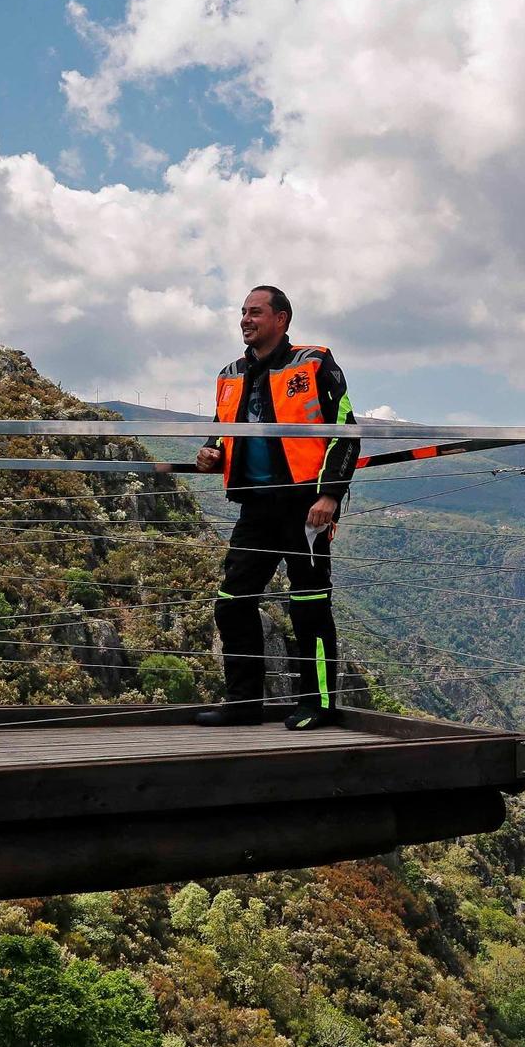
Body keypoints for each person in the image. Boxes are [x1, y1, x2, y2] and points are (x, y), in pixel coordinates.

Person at [194, 285, 359, 730]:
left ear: (281, 319)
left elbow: (346, 430)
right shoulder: (230, 373)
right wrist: (210, 451)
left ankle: (318, 704)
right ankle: (243, 704)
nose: (246, 319)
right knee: (232, 602)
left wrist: (330, 495)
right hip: (256, 506)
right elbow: (222, 432)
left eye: (256, 312)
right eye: (243, 312)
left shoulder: (314, 362)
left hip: (307, 506)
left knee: (308, 604)